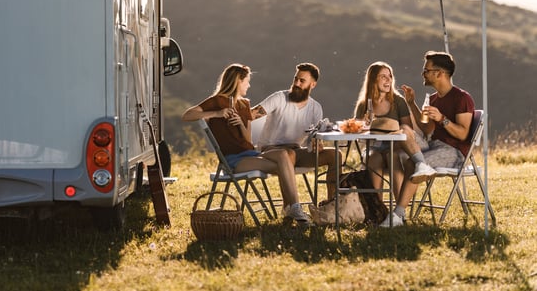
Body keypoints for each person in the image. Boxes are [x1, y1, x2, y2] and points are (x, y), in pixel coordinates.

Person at [181, 63, 311, 223]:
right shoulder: (217, 101)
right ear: (237, 82)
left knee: (284, 155)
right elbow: (187, 115)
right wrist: (217, 113)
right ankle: (293, 209)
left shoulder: (244, 104)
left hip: (252, 153)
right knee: (284, 166)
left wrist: (240, 124)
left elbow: (247, 140)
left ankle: (292, 209)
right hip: (234, 160)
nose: (249, 85)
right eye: (247, 81)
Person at [381, 51, 476, 228]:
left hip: (454, 152)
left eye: (426, 70)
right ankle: (396, 207)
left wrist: (442, 119)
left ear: (439, 73)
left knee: (411, 163)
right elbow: (426, 129)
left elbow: (463, 134)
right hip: (433, 145)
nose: (423, 73)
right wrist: (411, 103)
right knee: (403, 132)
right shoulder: (432, 99)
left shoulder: (462, 98)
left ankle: (398, 215)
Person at [353, 61, 436, 227]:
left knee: (393, 157)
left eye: (390, 76)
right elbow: (357, 132)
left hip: (394, 146)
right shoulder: (364, 104)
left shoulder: (398, 101)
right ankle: (377, 211)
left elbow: (407, 129)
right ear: (373, 80)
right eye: (383, 76)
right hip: (373, 146)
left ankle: (399, 213)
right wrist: (364, 125)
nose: (388, 80)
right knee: (374, 159)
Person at [250, 62, 342, 204]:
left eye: (302, 81)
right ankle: (291, 207)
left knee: (335, 155)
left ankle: (332, 204)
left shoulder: (315, 108)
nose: (297, 83)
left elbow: (315, 136)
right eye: (295, 79)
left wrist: (317, 143)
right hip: (270, 151)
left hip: (296, 151)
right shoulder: (279, 98)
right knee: (289, 154)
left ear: (313, 85)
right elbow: (252, 114)